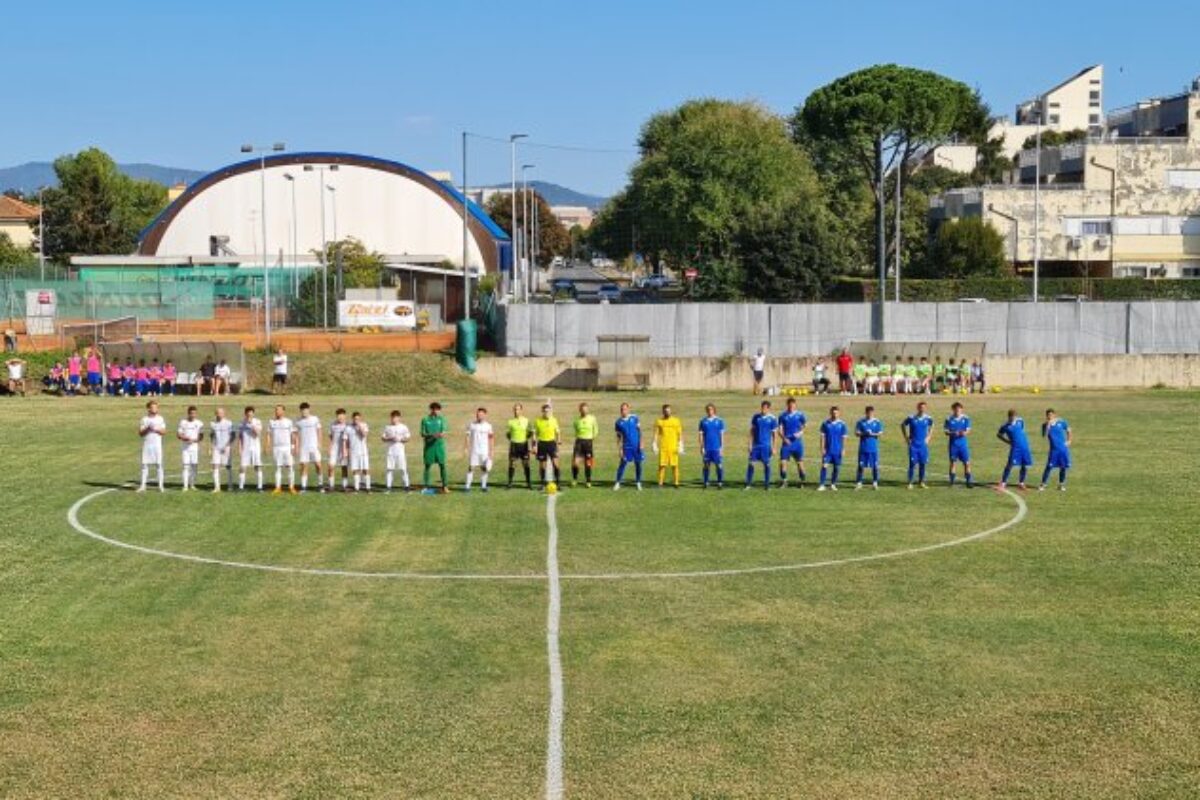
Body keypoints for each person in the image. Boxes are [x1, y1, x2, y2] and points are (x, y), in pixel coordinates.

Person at [997, 409, 1033, 491]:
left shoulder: (1020, 421)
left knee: (1025, 465)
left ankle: (1021, 483)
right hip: (1015, 448)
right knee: (1010, 465)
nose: (1014, 418)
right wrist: (1007, 441)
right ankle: (1003, 483)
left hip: (1024, 447)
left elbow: (1022, 430)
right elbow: (999, 435)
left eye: (1015, 416)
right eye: (1012, 417)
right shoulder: (1005, 426)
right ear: (1009, 417)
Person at [901, 401, 934, 489]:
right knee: (912, 463)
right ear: (917, 408)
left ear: (925, 408)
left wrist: (929, 437)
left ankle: (921, 482)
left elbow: (932, 425)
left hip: (923, 445)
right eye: (920, 407)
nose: (922, 409)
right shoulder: (911, 418)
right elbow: (903, 425)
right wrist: (906, 438)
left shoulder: (928, 418)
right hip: (913, 444)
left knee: (923, 463)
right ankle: (910, 482)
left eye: (924, 407)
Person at [745, 400, 777, 491]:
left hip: (766, 446)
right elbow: (752, 431)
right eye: (762, 407)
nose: (763, 409)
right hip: (756, 446)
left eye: (765, 408)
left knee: (767, 465)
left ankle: (767, 485)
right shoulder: (756, 417)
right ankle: (748, 484)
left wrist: (774, 447)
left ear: (769, 409)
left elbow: (774, 435)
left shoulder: (772, 419)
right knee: (751, 464)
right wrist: (750, 444)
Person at [137, 400, 167, 492]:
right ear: (149, 408)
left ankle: (161, 486)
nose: (155, 409)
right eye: (153, 407)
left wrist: (155, 429)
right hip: (147, 444)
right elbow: (141, 433)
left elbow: (164, 432)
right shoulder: (144, 419)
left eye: (156, 407)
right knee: (144, 465)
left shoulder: (160, 419)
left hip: (157, 445)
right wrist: (148, 428)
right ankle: (143, 486)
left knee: (159, 465)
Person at [613, 402, 644, 491]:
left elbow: (639, 431)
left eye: (625, 409)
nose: (623, 411)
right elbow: (619, 437)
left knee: (638, 464)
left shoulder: (634, 418)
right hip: (626, 447)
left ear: (628, 409)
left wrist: (641, 442)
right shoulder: (618, 422)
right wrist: (620, 449)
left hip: (636, 446)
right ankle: (618, 482)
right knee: (622, 464)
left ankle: (638, 482)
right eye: (622, 409)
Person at [777, 396, 807, 488]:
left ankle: (802, 482)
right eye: (790, 406)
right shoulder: (782, 416)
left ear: (795, 405)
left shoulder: (800, 415)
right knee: (782, 463)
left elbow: (804, 426)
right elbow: (780, 429)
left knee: (800, 464)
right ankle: (784, 481)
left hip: (797, 443)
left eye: (793, 405)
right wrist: (784, 438)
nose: (791, 407)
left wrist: (800, 433)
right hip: (786, 443)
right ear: (787, 405)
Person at [420, 402, 450, 494]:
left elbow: (444, 430)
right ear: (431, 409)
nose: (436, 411)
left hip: (439, 446)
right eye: (434, 409)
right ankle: (426, 486)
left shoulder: (442, 419)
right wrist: (431, 435)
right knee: (427, 466)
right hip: (429, 446)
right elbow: (422, 433)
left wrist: (441, 434)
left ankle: (445, 486)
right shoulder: (425, 419)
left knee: (442, 465)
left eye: (438, 409)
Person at [1040, 409, 1072, 492]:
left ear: (1054, 415)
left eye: (1051, 415)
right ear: (1046, 416)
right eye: (1048, 415)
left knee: (1063, 467)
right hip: (1054, 450)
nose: (1049, 416)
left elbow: (1069, 430)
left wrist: (1069, 440)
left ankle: (1061, 485)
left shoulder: (1061, 422)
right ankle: (1043, 484)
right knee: (1049, 467)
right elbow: (1045, 436)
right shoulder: (1045, 425)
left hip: (1063, 449)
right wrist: (1048, 426)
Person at [267, 405, 298, 494]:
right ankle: (278, 487)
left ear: (283, 411)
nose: (277, 411)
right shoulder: (271, 422)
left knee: (290, 467)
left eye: (279, 410)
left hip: (287, 447)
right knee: (278, 467)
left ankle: (291, 487)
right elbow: (268, 434)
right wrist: (268, 445)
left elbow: (293, 435)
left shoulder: (288, 422)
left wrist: (293, 446)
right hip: (277, 448)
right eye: (276, 410)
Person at [817, 406, 849, 491]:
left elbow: (844, 438)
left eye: (836, 413)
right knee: (824, 466)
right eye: (833, 413)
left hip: (837, 450)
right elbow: (822, 436)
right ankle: (822, 484)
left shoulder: (842, 424)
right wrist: (822, 448)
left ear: (839, 413)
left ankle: (833, 484)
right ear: (830, 413)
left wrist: (843, 449)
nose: (835, 415)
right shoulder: (825, 423)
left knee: (836, 467)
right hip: (828, 450)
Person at [464, 407, 495, 492]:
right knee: (471, 468)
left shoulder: (488, 426)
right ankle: (467, 487)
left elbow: (491, 438)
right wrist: (466, 448)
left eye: (481, 414)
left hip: (484, 451)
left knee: (484, 468)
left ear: (485, 415)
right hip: (474, 451)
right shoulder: (472, 425)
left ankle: (483, 486)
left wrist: (491, 451)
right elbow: (467, 436)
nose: (478, 415)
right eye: (477, 414)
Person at [532, 403, 562, 490]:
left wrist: (559, 441)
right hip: (542, 444)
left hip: (552, 444)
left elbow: (558, 432)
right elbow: (534, 435)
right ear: (542, 412)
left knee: (556, 464)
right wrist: (534, 446)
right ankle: (542, 484)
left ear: (550, 412)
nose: (547, 413)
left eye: (548, 411)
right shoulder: (538, 421)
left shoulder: (554, 420)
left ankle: (558, 483)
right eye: (545, 411)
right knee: (542, 466)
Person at [944, 401, 974, 488]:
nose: (957, 411)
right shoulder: (948, 419)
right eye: (956, 410)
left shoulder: (966, 418)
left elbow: (968, 430)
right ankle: (952, 481)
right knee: (953, 462)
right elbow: (946, 431)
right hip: (953, 445)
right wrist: (953, 433)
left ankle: (968, 481)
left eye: (959, 409)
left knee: (967, 463)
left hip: (963, 445)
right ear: (953, 410)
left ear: (961, 409)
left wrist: (964, 433)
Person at [653, 403, 683, 488]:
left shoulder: (676, 421)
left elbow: (680, 434)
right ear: (663, 411)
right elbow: (656, 434)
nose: (667, 412)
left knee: (675, 465)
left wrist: (680, 444)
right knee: (662, 466)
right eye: (665, 411)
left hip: (673, 447)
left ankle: (676, 483)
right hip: (663, 447)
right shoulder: (659, 421)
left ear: (671, 411)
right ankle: (660, 483)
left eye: (668, 410)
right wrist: (654, 444)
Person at [295, 401, 323, 492]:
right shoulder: (298, 422)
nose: (304, 412)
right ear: (300, 411)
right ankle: (303, 487)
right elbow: (295, 434)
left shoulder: (315, 419)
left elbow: (319, 431)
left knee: (318, 465)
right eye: (302, 410)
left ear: (309, 409)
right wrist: (296, 446)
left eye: (306, 410)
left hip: (314, 446)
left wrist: (319, 443)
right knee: (304, 466)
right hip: (304, 447)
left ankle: (320, 485)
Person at [854, 405, 884, 490]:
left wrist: (872, 434)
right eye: (868, 412)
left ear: (873, 413)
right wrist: (864, 434)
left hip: (873, 448)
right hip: (863, 447)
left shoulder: (877, 422)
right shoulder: (861, 422)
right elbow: (856, 433)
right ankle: (859, 482)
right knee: (861, 465)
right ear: (866, 413)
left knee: (875, 466)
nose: (870, 414)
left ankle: (875, 482)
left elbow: (880, 433)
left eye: (871, 412)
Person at [505, 403, 534, 490]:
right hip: (514, 445)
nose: (516, 411)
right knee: (512, 464)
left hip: (524, 445)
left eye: (518, 409)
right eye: (515, 409)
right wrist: (514, 439)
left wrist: (526, 439)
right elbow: (508, 434)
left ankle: (528, 483)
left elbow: (531, 432)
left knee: (526, 464)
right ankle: (510, 483)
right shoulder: (510, 422)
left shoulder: (526, 420)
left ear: (521, 410)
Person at [382, 409, 411, 493]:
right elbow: (383, 438)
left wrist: (401, 439)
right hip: (390, 452)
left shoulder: (403, 427)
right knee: (389, 469)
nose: (394, 419)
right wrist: (390, 438)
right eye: (392, 418)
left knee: (403, 469)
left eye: (395, 418)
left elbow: (408, 438)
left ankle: (407, 487)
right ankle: (388, 487)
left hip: (400, 452)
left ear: (399, 418)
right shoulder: (387, 427)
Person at [176, 405, 204, 491]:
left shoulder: (199, 423)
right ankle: (185, 486)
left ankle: (192, 484)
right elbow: (178, 434)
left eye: (194, 413)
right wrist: (185, 438)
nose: (193, 415)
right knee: (185, 466)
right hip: (185, 448)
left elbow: (201, 436)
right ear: (188, 413)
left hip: (194, 448)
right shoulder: (183, 422)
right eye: (191, 413)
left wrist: (195, 440)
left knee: (194, 466)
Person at [237, 406, 264, 492]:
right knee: (242, 467)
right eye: (248, 413)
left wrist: (251, 424)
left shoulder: (257, 422)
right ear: (245, 414)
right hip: (246, 448)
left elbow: (258, 434)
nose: (249, 415)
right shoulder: (242, 423)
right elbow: (240, 437)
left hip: (255, 448)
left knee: (257, 466)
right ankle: (241, 487)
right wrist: (240, 448)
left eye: (251, 413)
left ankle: (259, 487)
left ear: (253, 413)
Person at [698, 404, 726, 489]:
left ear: (714, 410)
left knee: (719, 465)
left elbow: (721, 435)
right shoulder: (703, 421)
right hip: (707, 448)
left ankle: (720, 482)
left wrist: (721, 447)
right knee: (706, 465)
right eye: (708, 410)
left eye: (711, 409)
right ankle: (706, 482)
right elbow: (701, 435)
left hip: (716, 448)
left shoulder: (719, 421)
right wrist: (702, 447)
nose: (710, 411)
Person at [571, 402, 598, 487]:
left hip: (588, 442)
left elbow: (596, 430)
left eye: (586, 409)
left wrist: (592, 438)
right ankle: (575, 479)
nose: (584, 411)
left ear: (588, 410)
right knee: (575, 462)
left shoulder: (592, 418)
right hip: (579, 442)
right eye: (582, 410)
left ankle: (588, 480)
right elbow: (576, 430)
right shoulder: (576, 420)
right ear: (580, 410)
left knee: (588, 463)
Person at [209, 407, 234, 493]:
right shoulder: (213, 424)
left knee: (228, 466)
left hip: (226, 448)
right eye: (218, 413)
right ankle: (217, 487)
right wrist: (211, 446)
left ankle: (230, 485)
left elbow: (233, 435)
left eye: (221, 413)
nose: (219, 414)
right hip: (216, 448)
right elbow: (212, 436)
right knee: (215, 466)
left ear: (224, 414)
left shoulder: (228, 423)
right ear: (215, 414)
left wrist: (227, 445)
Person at [327, 408, 350, 492]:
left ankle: (344, 486)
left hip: (343, 449)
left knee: (344, 467)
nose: (340, 417)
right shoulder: (333, 425)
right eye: (338, 415)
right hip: (334, 448)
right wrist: (329, 448)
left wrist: (347, 449)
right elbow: (330, 437)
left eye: (342, 415)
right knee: (330, 466)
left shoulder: (348, 425)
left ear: (345, 416)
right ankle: (331, 486)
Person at [347, 411, 371, 492]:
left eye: (358, 419)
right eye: (355, 419)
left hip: (363, 451)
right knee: (355, 469)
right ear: (352, 419)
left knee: (365, 469)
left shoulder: (364, 425)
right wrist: (346, 450)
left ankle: (368, 488)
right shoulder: (348, 427)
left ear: (360, 418)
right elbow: (346, 440)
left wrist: (359, 426)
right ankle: (356, 488)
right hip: (354, 452)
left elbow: (364, 435)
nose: (356, 420)